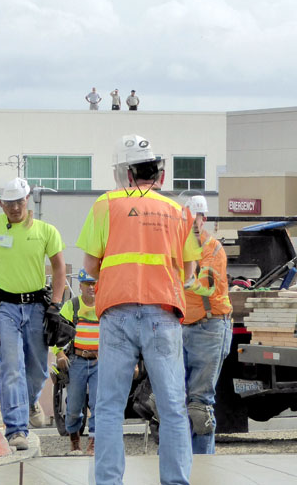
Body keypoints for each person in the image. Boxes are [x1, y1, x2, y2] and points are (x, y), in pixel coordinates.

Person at [77, 134, 201, 485]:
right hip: (163, 313)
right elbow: (190, 272)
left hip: (117, 312)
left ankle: (108, 481)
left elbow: (90, 265)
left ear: (127, 173)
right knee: (172, 406)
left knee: (109, 407)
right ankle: (175, 481)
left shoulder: (106, 205)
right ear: (158, 173)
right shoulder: (179, 211)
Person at [0, 177, 67, 451]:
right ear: (0, 203)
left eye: (19, 201)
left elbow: (59, 268)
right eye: (9, 203)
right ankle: (16, 429)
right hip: (5, 307)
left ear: (27, 199)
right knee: (11, 366)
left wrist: (55, 305)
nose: (15, 208)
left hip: (37, 306)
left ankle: (28, 402)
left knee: (39, 370)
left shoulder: (46, 231)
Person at [182, 195, 233, 455]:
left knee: (200, 406)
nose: (194, 223)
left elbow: (208, 287)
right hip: (183, 327)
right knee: (173, 401)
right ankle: (181, 459)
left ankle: (202, 464)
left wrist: (183, 279)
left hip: (209, 327)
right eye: (190, 218)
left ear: (205, 219)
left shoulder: (213, 250)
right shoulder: (178, 248)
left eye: (198, 218)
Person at [52, 268, 99, 455]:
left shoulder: (104, 304)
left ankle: (94, 442)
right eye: (87, 284)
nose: (91, 287)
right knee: (73, 406)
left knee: (98, 404)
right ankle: (74, 440)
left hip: (99, 361)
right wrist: (59, 354)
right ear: (80, 286)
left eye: (94, 283)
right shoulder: (72, 306)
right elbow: (58, 331)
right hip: (77, 361)